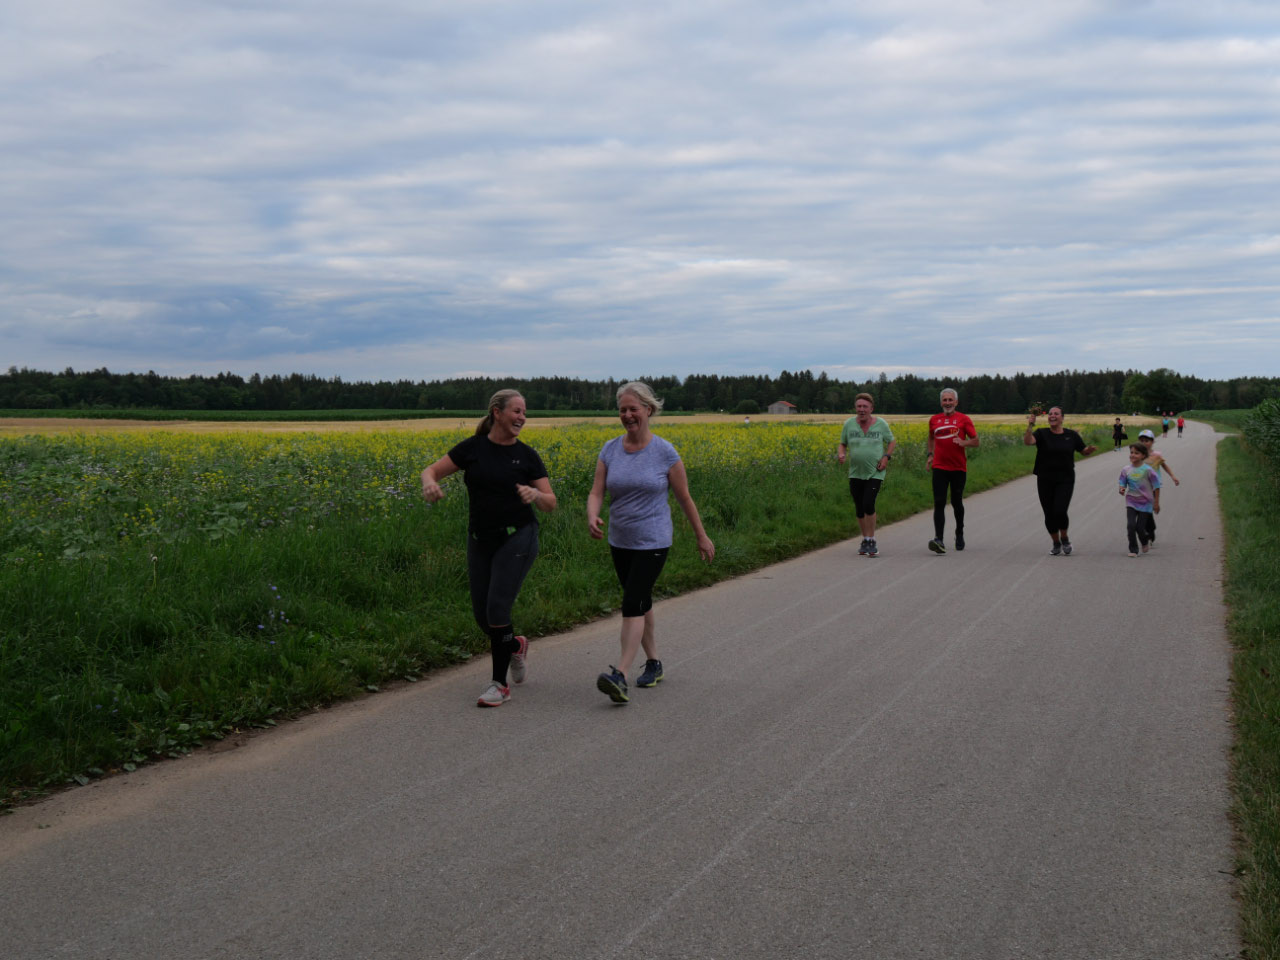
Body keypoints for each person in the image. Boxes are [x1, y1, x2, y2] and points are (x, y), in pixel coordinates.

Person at [421, 390, 558, 707]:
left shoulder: (526, 456)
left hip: (518, 536)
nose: (522, 417)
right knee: (483, 617)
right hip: (480, 539)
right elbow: (431, 470)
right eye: (517, 411)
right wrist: (429, 482)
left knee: (497, 609)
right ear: (497, 412)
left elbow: (550, 502)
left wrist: (535, 496)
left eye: (525, 412)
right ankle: (515, 646)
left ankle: (499, 685)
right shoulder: (473, 448)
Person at [588, 382, 714, 704]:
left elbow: (684, 498)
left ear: (648, 410)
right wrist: (592, 514)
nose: (627, 415)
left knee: (632, 602)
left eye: (633, 409)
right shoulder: (610, 450)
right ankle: (654, 663)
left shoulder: (664, 452)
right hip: (620, 540)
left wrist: (701, 536)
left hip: (653, 541)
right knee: (641, 601)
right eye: (622, 410)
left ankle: (620, 675)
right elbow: (597, 491)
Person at [1024, 406, 1097, 555]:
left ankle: (1064, 538)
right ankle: (1056, 542)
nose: (1052, 416)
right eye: (1050, 414)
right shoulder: (1042, 433)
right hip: (1045, 479)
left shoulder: (1071, 435)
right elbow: (1028, 441)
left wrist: (1088, 450)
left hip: (1065, 479)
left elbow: (1083, 451)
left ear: (1062, 418)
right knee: (1049, 513)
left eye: (1056, 414)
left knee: (1060, 510)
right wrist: (1030, 425)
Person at [838, 393, 897, 557]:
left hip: (875, 472)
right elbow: (842, 443)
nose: (862, 409)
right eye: (859, 406)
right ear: (855, 408)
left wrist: (886, 457)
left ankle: (871, 540)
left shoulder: (881, 424)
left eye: (865, 406)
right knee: (859, 508)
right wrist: (841, 454)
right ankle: (865, 539)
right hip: (855, 473)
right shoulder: (849, 424)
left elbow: (891, 441)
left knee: (868, 504)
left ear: (871, 408)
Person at [926, 387, 979, 553]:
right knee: (939, 502)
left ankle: (959, 532)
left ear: (956, 402)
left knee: (956, 502)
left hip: (958, 467)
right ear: (941, 402)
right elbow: (931, 437)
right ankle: (939, 539)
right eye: (945, 400)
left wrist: (964, 443)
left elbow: (976, 441)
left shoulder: (964, 419)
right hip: (939, 467)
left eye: (950, 400)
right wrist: (930, 455)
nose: (947, 403)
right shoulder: (934, 419)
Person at [1136, 428, 1180, 548]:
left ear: (1152, 442)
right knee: (1140, 510)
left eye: (1147, 441)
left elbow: (1164, 466)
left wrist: (1173, 476)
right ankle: (1149, 530)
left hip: (1153, 486)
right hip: (1140, 486)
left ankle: (1150, 531)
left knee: (1147, 510)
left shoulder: (1156, 455)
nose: (1144, 443)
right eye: (1141, 441)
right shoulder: (1137, 455)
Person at [1119, 443, 1161, 556]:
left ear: (1143, 455)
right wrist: (1122, 488)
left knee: (1140, 528)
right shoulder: (1126, 469)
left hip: (1145, 503)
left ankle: (1144, 540)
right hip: (1131, 502)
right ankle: (1133, 549)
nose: (1133, 455)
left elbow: (1156, 486)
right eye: (1131, 452)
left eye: (1136, 453)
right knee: (1131, 526)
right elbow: (1122, 482)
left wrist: (1156, 503)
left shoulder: (1148, 470)